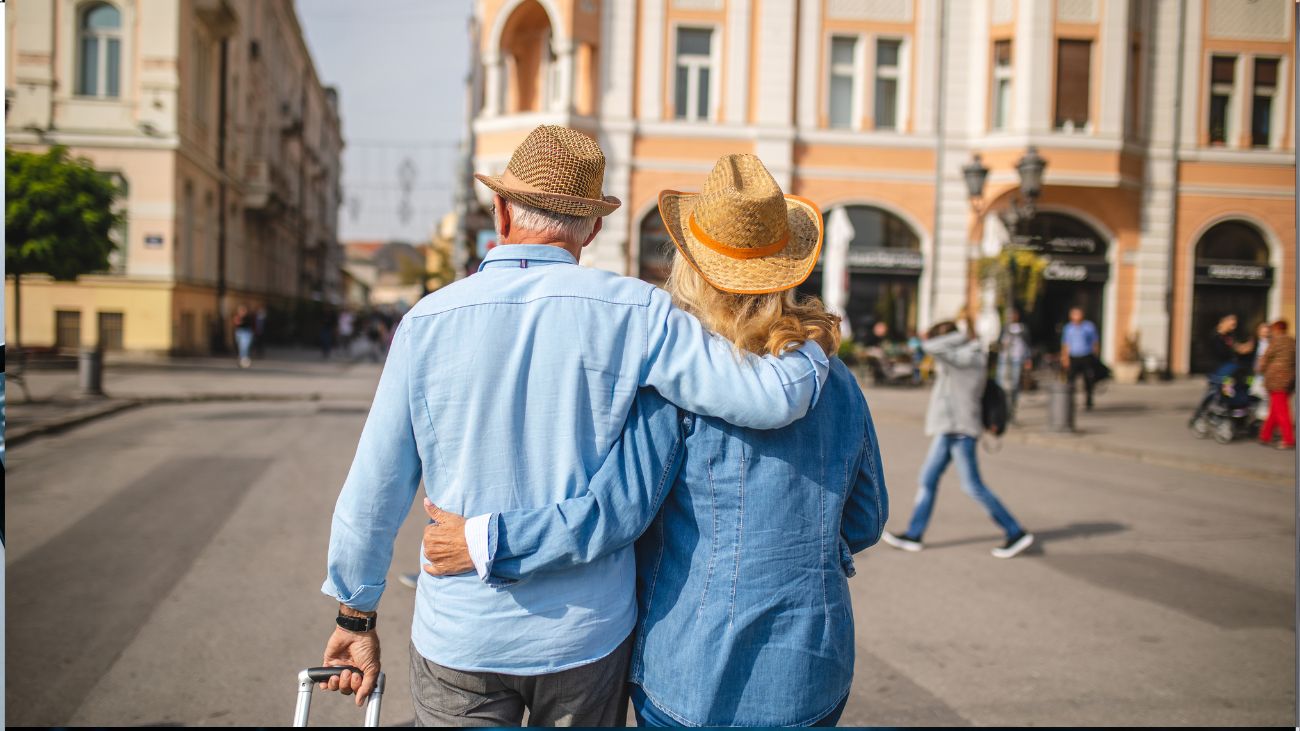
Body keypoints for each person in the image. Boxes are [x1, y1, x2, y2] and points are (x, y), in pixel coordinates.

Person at [316, 126, 830, 726]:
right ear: (592, 228)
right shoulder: (637, 312)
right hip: (585, 634)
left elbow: (373, 489)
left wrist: (356, 615)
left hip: (462, 634)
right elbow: (768, 399)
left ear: (501, 213)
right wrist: (814, 342)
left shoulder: (427, 321)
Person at [420, 153, 887, 727]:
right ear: (786, 269)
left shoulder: (680, 381)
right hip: (813, 665)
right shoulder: (833, 377)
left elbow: (614, 514)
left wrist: (487, 540)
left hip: (691, 666)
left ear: (691, 263)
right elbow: (866, 519)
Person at [883, 316, 1035, 559]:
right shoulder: (958, 356)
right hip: (948, 429)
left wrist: (957, 335)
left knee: (972, 486)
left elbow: (929, 347)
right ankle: (914, 534)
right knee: (927, 479)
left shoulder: (969, 357)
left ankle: (1015, 532)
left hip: (961, 431)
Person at [1190, 314, 1256, 425]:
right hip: (1217, 370)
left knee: (1230, 391)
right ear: (1223, 322)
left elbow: (1235, 349)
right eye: (1231, 324)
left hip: (1229, 371)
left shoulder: (1229, 337)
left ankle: (1234, 413)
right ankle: (1199, 415)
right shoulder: (1215, 337)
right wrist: (1237, 350)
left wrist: (1243, 349)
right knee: (1213, 392)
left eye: (1234, 325)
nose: (1233, 327)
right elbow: (1221, 352)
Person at [1257, 320, 1295, 450]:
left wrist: (1260, 369)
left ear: (1277, 330)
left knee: (1282, 412)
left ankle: (1288, 440)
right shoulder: (1292, 342)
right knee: (1275, 409)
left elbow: (1265, 359)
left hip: (1276, 380)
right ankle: (1265, 436)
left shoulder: (1276, 341)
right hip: (1289, 380)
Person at [998, 309, 1030, 422]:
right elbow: (999, 344)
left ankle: (1012, 411)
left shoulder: (1022, 328)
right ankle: (1003, 411)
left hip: (1017, 359)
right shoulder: (1004, 328)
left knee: (1014, 385)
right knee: (1001, 385)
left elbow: (1027, 344)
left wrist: (1027, 359)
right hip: (1004, 360)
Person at [231, 304, 254, 369]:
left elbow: (249, 325)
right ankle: (242, 359)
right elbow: (236, 323)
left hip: (246, 332)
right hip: (239, 332)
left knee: (244, 346)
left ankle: (244, 360)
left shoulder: (248, 317)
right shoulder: (237, 316)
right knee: (241, 346)